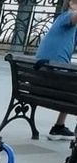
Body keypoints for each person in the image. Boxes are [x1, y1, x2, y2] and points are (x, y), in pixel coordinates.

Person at [35, 0, 77, 140]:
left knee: (71, 83)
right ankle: (59, 127)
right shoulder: (66, 17)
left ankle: (59, 126)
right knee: (73, 86)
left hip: (38, 83)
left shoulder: (61, 23)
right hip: (55, 81)